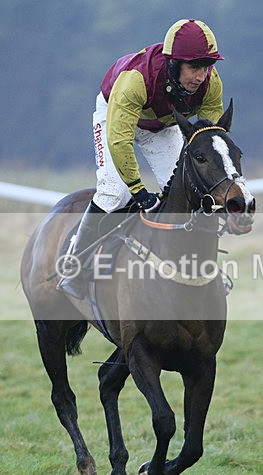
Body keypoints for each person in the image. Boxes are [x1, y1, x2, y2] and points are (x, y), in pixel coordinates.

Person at [59, 19, 225, 299]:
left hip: (161, 125)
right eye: (194, 67)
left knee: (184, 191)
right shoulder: (136, 79)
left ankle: (190, 271)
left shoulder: (211, 83)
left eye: (206, 66)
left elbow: (209, 139)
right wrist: (138, 188)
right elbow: (119, 139)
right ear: (173, 65)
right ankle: (74, 265)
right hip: (116, 114)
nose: (201, 76)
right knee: (115, 191)